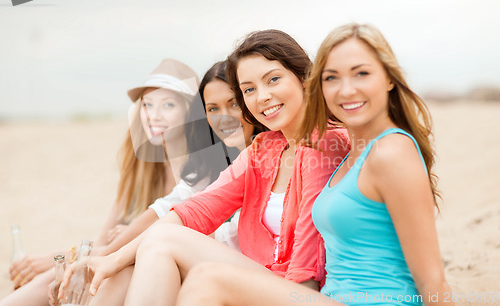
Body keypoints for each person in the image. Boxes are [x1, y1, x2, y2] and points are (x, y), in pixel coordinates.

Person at [58, 29, 350, 306]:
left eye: (273, 80)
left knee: (165, 240)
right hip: (267, 278)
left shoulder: (326, 143)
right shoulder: (265, 148)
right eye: (249, 89)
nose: (261, 96)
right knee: (145, 251)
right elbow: (195, 209)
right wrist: (111, 259)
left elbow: (309, 259)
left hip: (301, 292)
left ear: (304, 78)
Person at [174, 23, 455, 306]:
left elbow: (432, 280)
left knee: (207, 280)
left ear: (389, 79)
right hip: (332, 299)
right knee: (199, 275)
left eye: (361, 73)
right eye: (332, 78)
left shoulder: (391, 152)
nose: (346, 90)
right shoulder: (349, 153)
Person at [0, 58, 198, 306]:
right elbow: (103, 241)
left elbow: (178, 232)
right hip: (123, 262)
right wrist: (60, 260)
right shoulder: (143, 167)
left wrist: (57, 257)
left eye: (168, 105)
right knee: (60, 277)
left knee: (115, 273)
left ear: (192, 112)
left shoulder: (197, 170)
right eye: (147, 105)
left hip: (168, 272)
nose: (153, 116)